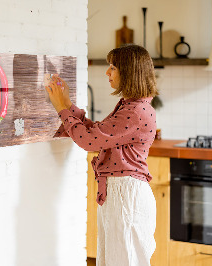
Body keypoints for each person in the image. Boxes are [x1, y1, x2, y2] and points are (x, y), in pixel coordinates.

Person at [45, 44, 158, 266]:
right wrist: (67, 104)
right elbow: (97, 133)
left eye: (113, 67)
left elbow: (89, 141)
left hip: (126, 195)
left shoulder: (135, 111)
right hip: (121, 193)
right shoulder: (131, 106)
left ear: (129, 71)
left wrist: (61, 108)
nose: (107, 72)